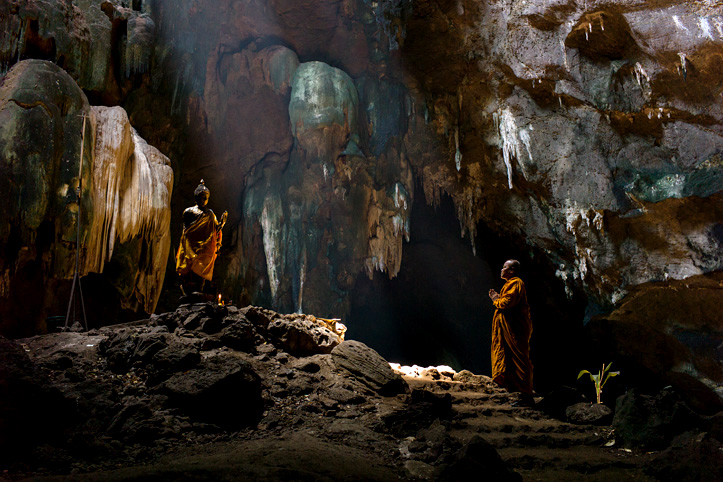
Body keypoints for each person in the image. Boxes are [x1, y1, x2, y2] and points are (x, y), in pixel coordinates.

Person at [488, 259, 534, 405]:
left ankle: (526, 395)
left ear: (512, 271)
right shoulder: (509, 284)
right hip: (509, 328)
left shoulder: (516, 283)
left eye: (504, 267)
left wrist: (496, 299)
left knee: (520, 360)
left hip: (515, 329)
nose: (501, 270)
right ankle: (516, 389)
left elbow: (507, 303)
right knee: (509, 358)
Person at [175, 180, 227, 297]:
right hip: (190, 245)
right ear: (196, 197)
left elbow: (215, 231)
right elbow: (186, 231)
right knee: (189, 269)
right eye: (201, 197)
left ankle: (200, 287)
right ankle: (188, 289)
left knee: (202, 266)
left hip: (204, 249)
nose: (203, 200)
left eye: (205, 198)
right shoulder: (189, 212)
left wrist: (222, 224)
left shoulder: (210, 214)